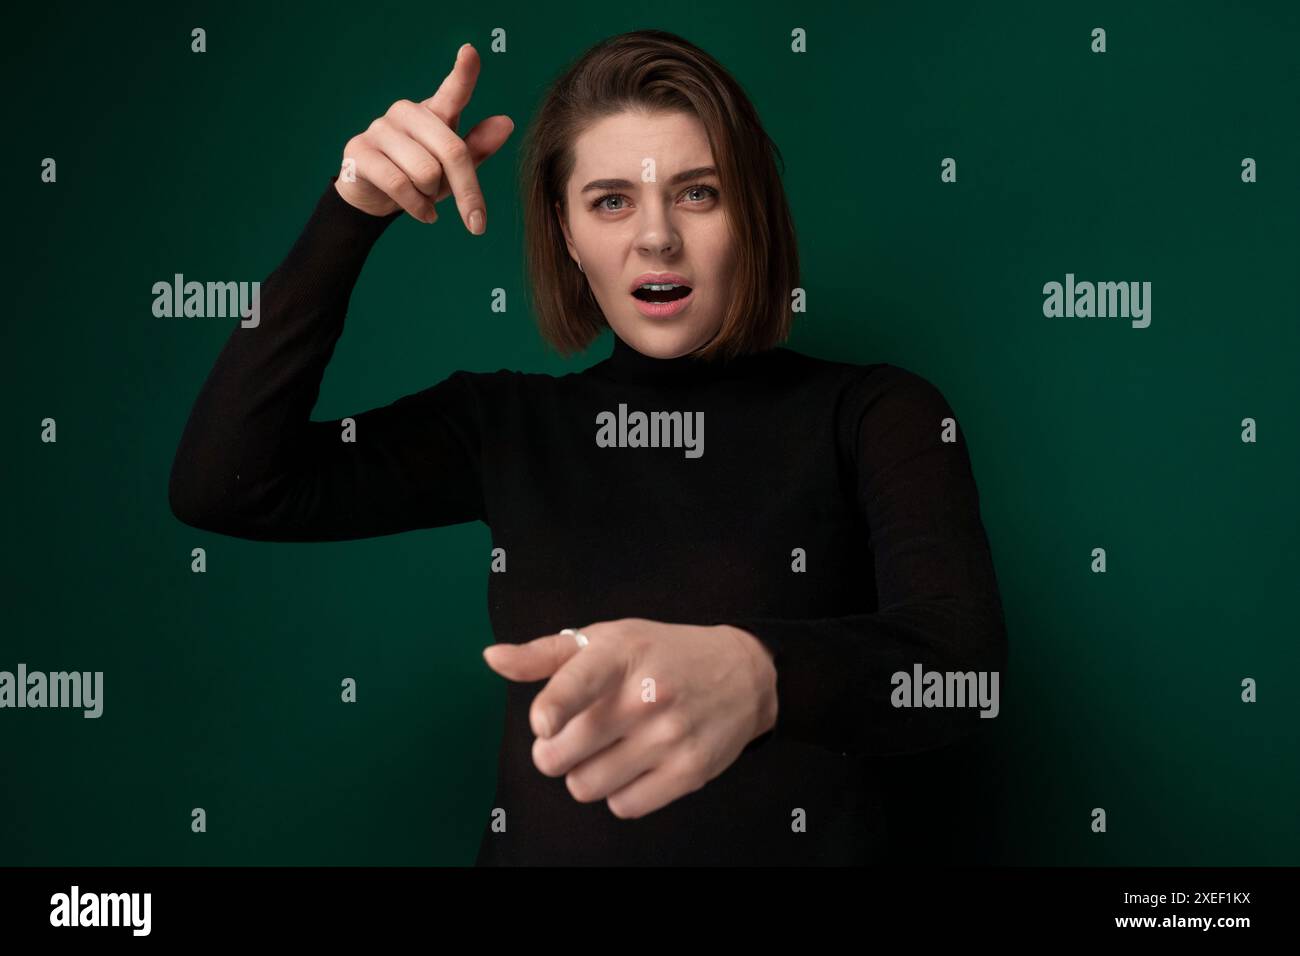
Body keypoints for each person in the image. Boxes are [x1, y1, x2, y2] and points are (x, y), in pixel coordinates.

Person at [169, 29, 1008, 865]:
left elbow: (962, 671)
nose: (656, 238)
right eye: (611, 200)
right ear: (567, 235)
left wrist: (758, 674)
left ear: (751, 213)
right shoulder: (503, 426)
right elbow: (227, 484)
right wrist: (351, 211)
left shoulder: (875, 413)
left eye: (698, 193)